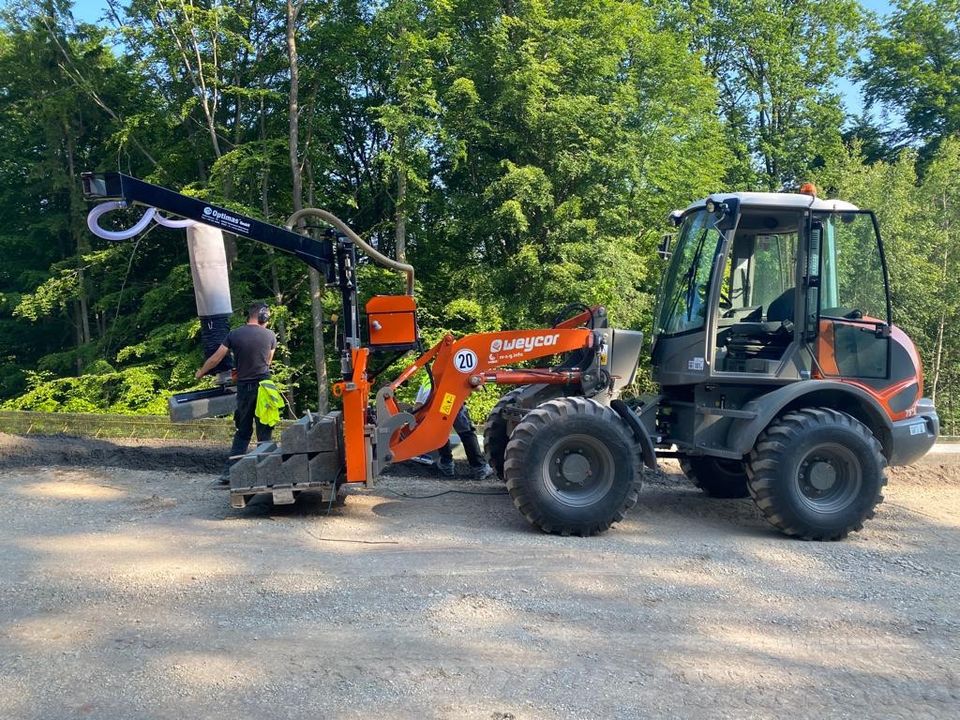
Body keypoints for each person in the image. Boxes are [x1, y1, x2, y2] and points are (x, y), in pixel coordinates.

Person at [195, 302, 277, 481]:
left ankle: (230, 474)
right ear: (263, 316)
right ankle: (266, 474)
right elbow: (267, 363)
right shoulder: (270, 336)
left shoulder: (234, 334)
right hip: (265, 389)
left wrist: (201, 372)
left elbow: (216, 358)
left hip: (245, 390)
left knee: (243, 432)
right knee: (265, 432)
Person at [414, 382, 494, 480]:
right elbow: (478, 387)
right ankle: (479, 468)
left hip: (436, 406)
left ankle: (447, 465)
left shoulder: (428, 379)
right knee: (467, 433)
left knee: (441, 433)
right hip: (452, 401)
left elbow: (419, 405)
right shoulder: (457, 369)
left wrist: (415, 423)